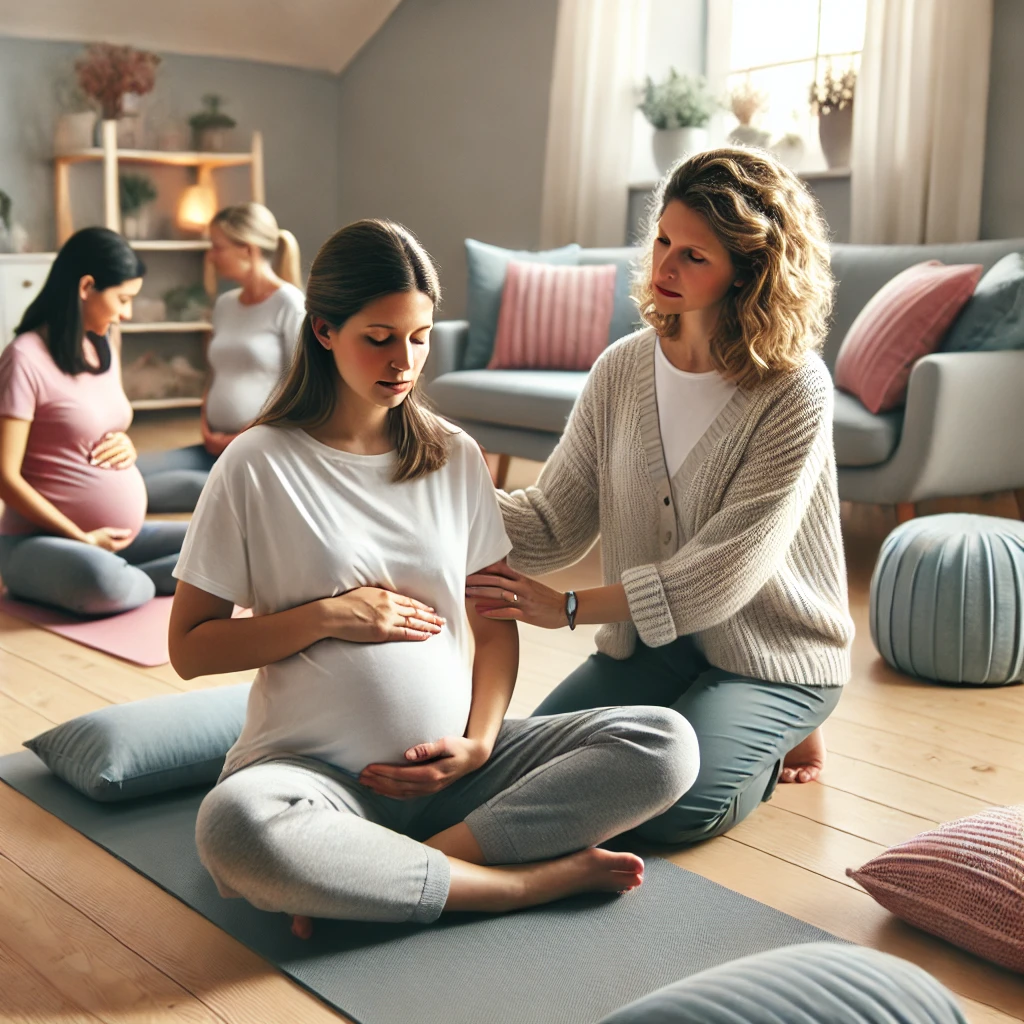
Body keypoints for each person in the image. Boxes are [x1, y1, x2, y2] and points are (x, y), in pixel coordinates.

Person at [168, 219, 698, 934]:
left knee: (666, 746)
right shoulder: (257, 465)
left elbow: (494, 619)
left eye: (418, 337)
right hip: (315, 780)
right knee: (233, 828)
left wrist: (479, 743)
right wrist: (330, 616)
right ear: (324, 331)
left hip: (461, 777)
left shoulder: (453, 456)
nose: (403, 361)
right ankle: (517, 886)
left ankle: (395, 872)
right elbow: (191, 648)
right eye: (379, 337)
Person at [467, 148, 855, 846]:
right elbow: (553, 523)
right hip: (655, 647)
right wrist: (436, 482)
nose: (664, 269)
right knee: (530, 767)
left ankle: (770, 738)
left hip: (774, 650)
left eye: (694, 257)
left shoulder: (795, 390)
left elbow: (717, 581)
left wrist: (569, 609)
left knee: (668, 806)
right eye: (662, 242)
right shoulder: (621, 369)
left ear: (750, 270)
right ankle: (709, 714)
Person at [0, 227, 188, 616]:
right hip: (41, 541)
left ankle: (127, 575)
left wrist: (126, 442)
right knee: (104, 582)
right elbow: (5, 477)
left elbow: (97, 424)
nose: (127, 313)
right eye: (122, 299)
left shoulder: (103, 344)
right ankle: (123, 578)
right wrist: (81, 537)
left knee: (223, 544)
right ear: (86, 287)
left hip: (117, 539)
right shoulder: (24, 358)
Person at [137, 203, 305, 512]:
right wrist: (206, 425)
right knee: (126, 473)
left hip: (258, 454)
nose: (211, 256)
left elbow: (302, 388)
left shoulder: (290, 304)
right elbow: (216, 373)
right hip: (211, 446)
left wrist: (242, 437)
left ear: (247, 249)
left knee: (138, 495)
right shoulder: (226, 304)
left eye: (217, 247)